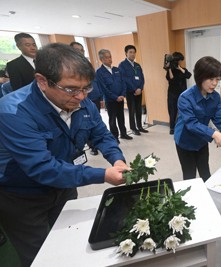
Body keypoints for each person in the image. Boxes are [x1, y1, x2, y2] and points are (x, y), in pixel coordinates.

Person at [0, 43, 130, 267]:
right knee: (41, 257)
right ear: (42, 81)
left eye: (86, 88)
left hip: (65, 185)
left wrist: (116, 159)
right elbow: (43, 168)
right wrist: (103, 174)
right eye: (71, 89)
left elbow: (101, 135)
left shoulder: (83, 102)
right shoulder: (13, 112)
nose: (80, 97)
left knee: (71, 240)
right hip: (22, 196)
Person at [174, 56, 221, 181]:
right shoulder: (185, 97)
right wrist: (214, 134)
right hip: (185, 140)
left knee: (205, 173)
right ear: (200, 77)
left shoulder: (215, 97)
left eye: (217, 79)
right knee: (189, 176)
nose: (215, 83)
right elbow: (191, 124)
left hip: (202, 139)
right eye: (211, 79)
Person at [70, 41, 104, 155]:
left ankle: (93, 144)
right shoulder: (67, 68)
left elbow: (95, 82)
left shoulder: (87, 66)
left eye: (82, 50)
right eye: (77, 50)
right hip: (75, 102)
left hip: (91, 98)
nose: (81, 52)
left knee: (93, 122)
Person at [96, 49, 132, 143]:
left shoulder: (116, 70)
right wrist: (115, 97)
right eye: (107, 57)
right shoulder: (99, 72)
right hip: (111, 100)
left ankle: (123, 134)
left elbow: (123, 83)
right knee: (112, 119)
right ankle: (114, 137)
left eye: (110, 56)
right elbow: (104, 88)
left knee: (121, 117)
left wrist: (122, 95)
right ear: (102, 59)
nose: (110, 59)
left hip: (120, 98)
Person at [119, 45, 147, 136]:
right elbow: (124, 79)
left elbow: (142, 78)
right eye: (130, 52)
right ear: (126, 53)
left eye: (134, 52)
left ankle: (140, 126)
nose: (132, 54)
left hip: (139, 91)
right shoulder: (122, 65)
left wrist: (140, 88)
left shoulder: (137, 65)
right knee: (132, 110)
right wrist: (135, 89)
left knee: (139, 109)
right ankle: (133, 128)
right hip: (130, 92)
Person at [165, 52, 192, 135]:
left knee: (183, 110)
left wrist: (179, 68)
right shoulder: (171, 70)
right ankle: (172, 128)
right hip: (172, 94)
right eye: (179, 60)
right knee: (172, 111)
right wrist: (169, 68)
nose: (180, 62)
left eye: (181, 61)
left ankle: (183, 126)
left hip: (183, 94)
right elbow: (171, 78)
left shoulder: (183, 69)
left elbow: (188, 75)